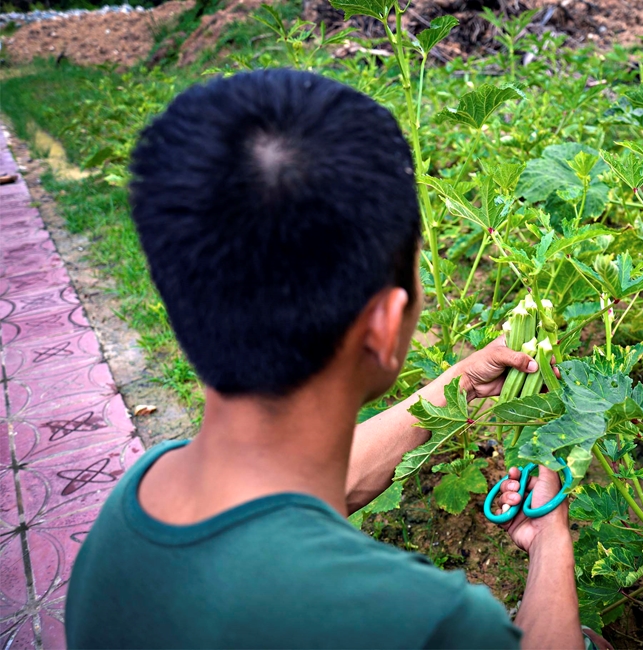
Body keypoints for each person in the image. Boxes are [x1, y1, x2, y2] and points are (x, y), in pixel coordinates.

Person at [65, 69, 583, 649]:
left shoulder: (132, 506)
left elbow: (308, 483)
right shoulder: (425, 622)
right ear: (385, 324)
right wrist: (551, 544)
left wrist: (456, 385)